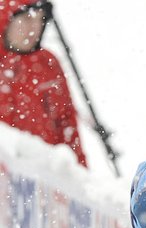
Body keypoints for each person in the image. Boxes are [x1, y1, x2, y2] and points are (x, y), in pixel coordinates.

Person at [0, 0, 86, 166]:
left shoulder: (47, 63)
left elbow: (67, 125)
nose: (35, 28)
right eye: (27, 19)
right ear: (6, 19)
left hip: (45, 177)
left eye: (41, 19)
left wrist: (79, 173)